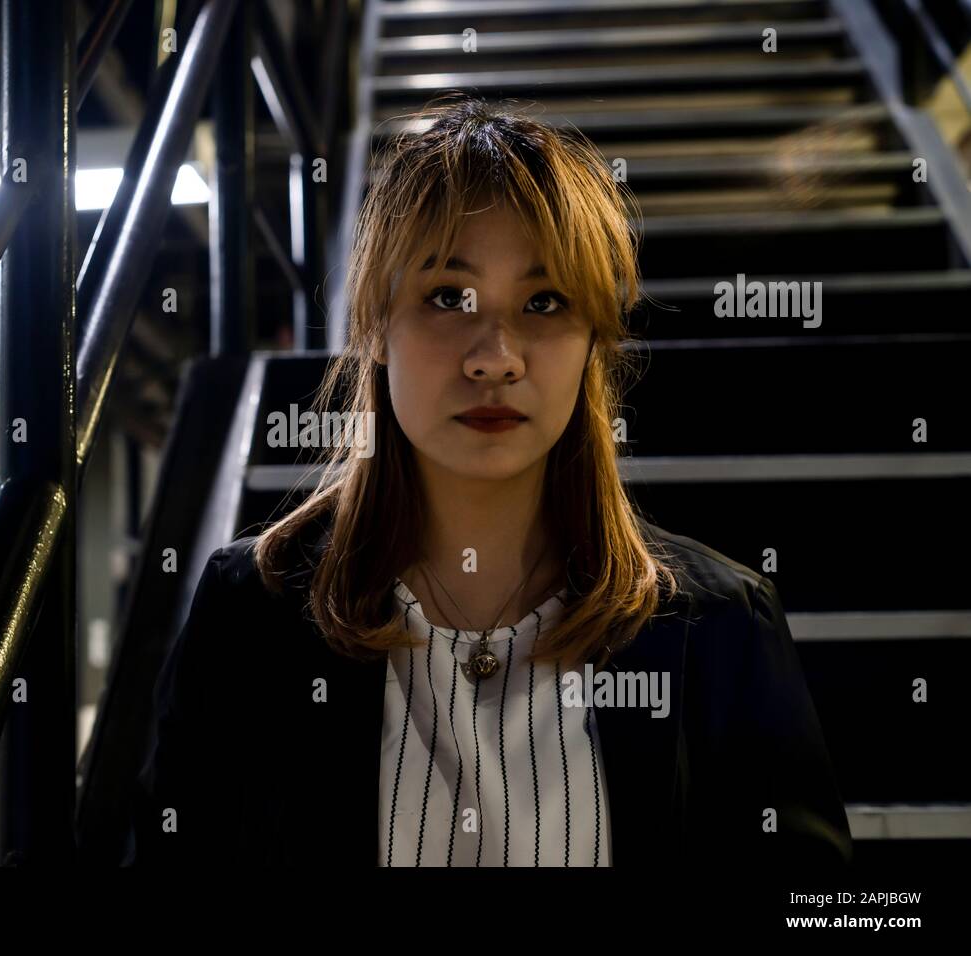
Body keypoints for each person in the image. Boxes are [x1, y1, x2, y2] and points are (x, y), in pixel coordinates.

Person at [127, 96, 852, 868]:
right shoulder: (252, 615)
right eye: (447, 296)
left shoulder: (719, 625)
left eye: (545, 303)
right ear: (373, 327)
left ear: (592, 345)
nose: (496, 356)